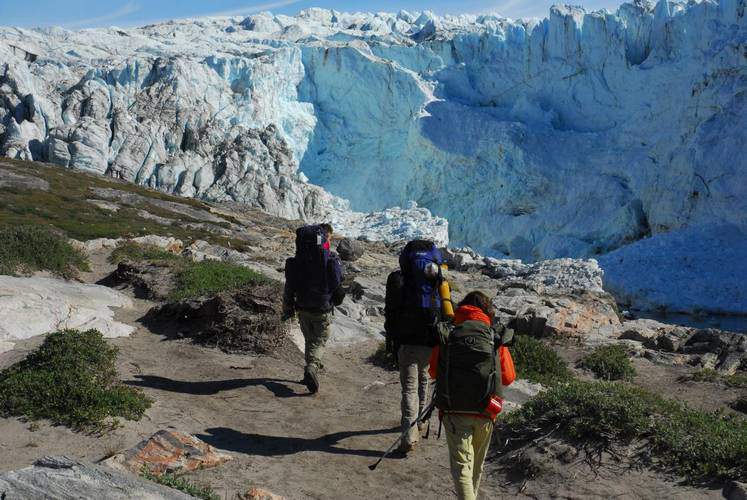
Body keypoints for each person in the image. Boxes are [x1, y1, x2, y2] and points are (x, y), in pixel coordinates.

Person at [430, 291, 513, 500]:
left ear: (462, 308)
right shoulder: (493, 336)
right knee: (476, 465)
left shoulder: (450, 333)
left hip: (454, 409)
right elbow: (508, 377)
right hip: (487, 408)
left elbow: (433, 371)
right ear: (487, 311)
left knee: (462, 467)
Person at [384, 239, 444, 454]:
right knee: (424, 376)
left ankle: (409, 435)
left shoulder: (397, 280)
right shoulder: (435, 281)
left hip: (406, 340)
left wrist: (391, 339)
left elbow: (390, 312)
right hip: (430, 339)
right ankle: (420, 421)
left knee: (409, 388)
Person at [282, 223, 344, 394]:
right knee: (320, 340)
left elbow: (289, 286)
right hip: (322, 308)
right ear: (326, 238)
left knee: (310, 340)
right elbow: (337, 284)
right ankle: (312, 367)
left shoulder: (298, 261)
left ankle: (309, 372)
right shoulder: (329, 260)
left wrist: (287, 306)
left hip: (302, 306)